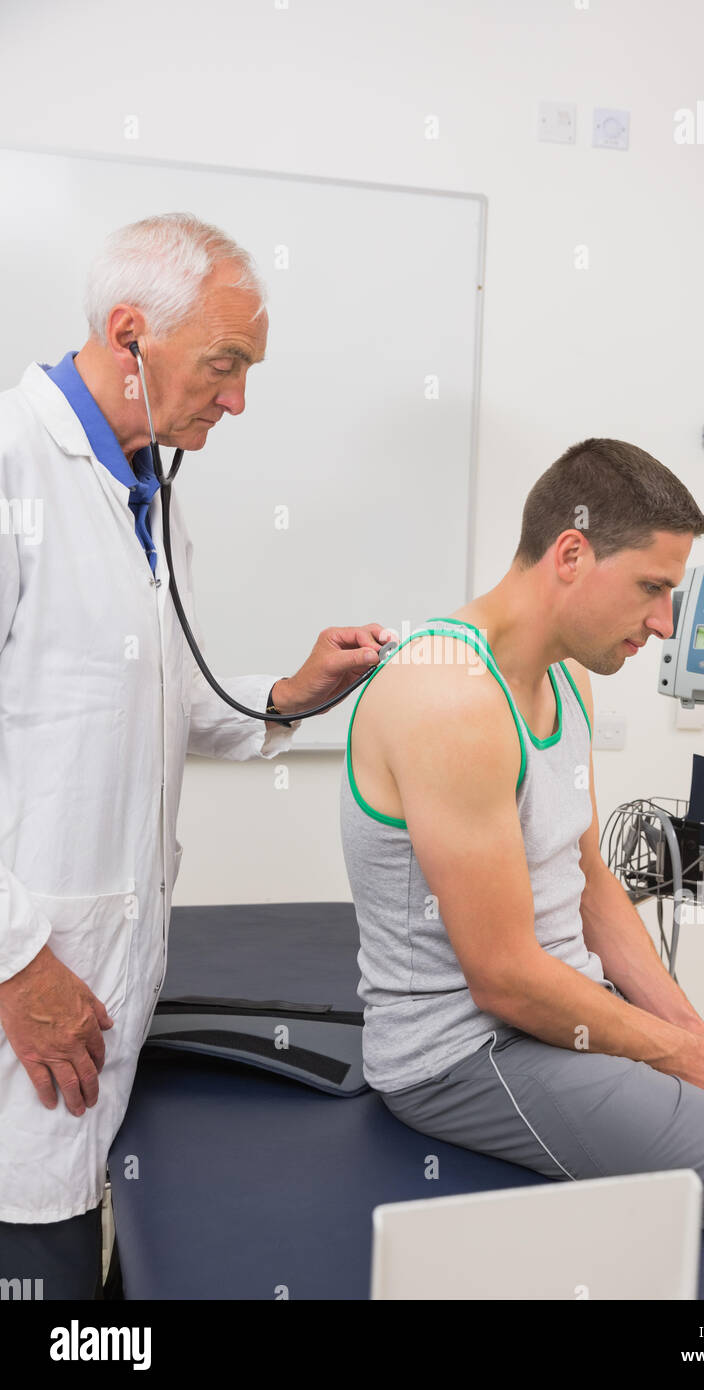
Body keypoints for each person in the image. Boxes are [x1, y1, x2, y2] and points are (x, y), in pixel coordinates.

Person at [340, 437, 704, 1290]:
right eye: (653, 589)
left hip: (559, 1020)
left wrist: (698, 1038)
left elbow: (592, 884)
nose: (664, 625)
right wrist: (683, 1062)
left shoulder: (564, 681)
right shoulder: (450, 700)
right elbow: (505, 979)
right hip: (469, 1054)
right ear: (573, 554)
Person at [0, 212, 388, 1297]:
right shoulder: (15, 466)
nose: (238, 399)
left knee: (78, 1259)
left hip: (95, 984)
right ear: (130, 334)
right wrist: (19, 962)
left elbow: (152, 698)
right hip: (24, 984)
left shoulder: (142, 488)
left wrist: (290, 695)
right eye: (226, 365)